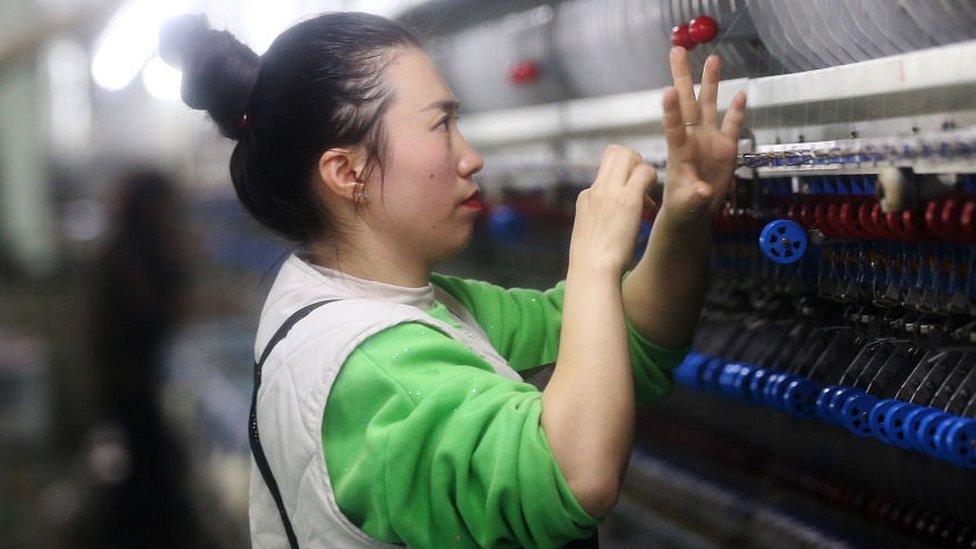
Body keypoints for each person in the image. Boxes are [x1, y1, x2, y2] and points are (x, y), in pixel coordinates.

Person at [160, 11, 745, 548]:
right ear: (346, 172)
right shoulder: (377, 364)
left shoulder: (407, 306)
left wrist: (682, 217)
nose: (471, 157)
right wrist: (592, 258)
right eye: (442, 126)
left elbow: (625, 335)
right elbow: (574, 475)